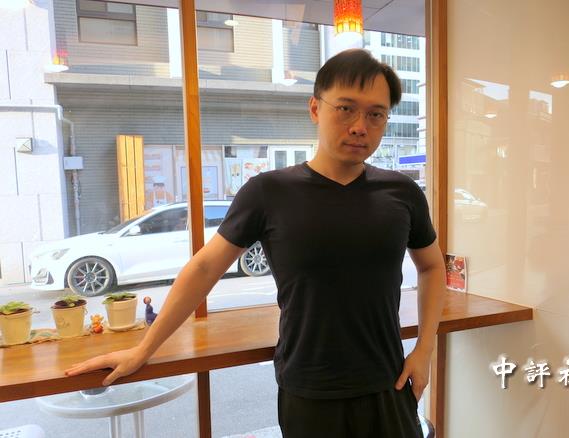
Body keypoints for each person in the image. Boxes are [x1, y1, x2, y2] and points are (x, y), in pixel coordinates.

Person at [65, 49, 446, 437]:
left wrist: (424, 350)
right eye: (346, 109)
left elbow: (432, 266)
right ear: (315, 108)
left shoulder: (401, 192)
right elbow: (205, 268)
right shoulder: (269, 192)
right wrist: (143, 349)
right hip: (309, 390)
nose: (360, 126)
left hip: (389, 382)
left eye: (376, 114)